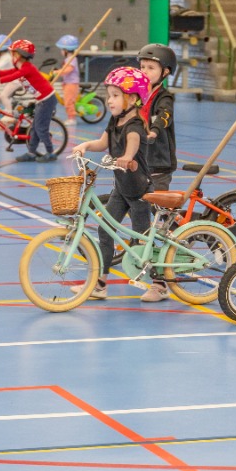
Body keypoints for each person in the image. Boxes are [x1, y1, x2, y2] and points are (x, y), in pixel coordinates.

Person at [70, 67, 152, 301]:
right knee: (105, 231)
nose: (110, 100)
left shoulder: (135, 125)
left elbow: (133, 143)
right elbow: (102, 143)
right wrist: (85, 145)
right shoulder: (114, 120)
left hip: (140, 192)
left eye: (116, 95)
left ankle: (158, 283)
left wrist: (127, 157)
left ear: (133, 98)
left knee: (141, 240)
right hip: (121, 190)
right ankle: (100, 284)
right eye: (109, 95)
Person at [0, 39, 58, 162]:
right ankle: (32, 153)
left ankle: (50, 152)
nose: (12, 55)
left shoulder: (27, 68)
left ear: (21, 55)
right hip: (41, 100)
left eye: (14, 53)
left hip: (47, 100)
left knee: (41, 128)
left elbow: (12, 77)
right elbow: (6, 72)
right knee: (35, 128)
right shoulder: (21, 66)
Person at [137, 43, 178, 193]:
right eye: (142, 67)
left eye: (151, 68)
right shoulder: (139, 95)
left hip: (158, 162)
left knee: (157, 204)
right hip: (139, 158)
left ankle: (169, 216)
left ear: (165, 71)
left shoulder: (164, 97)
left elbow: (164, 115)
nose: (145, 71)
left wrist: (154, 131)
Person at [54, 34, 81, 126]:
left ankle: (72, 119)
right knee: (67, 100)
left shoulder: (72, 59)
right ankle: (71, 116)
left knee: (68, 101)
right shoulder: (68, 59)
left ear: (66, 50)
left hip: (72, 84)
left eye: (62, 49)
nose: (61, 51)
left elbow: (69, 69)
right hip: (68, 83)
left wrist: (59, 72)